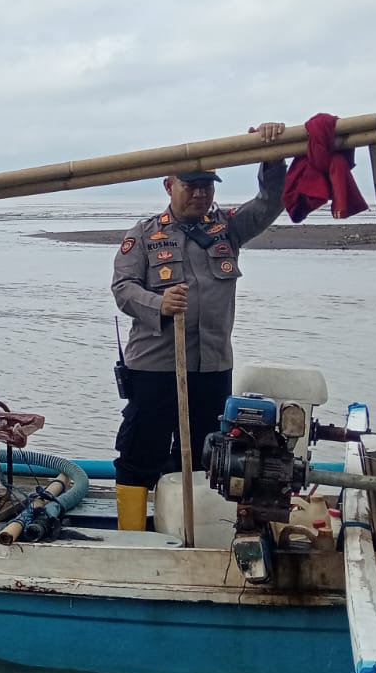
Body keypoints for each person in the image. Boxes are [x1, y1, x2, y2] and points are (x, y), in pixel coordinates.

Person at [111, 125, 288, 530]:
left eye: (207, 185)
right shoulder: (143, 235)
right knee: (141, 453)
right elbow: (122, 289)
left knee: (208, 454)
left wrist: (273, 155)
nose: (200, 193)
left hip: (211, 369)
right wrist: (159, 303)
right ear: (168, 185)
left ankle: (189, 528)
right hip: (154, 369)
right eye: (191, 186)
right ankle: (132, 533)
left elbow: (269, 201)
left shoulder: (227, 228)